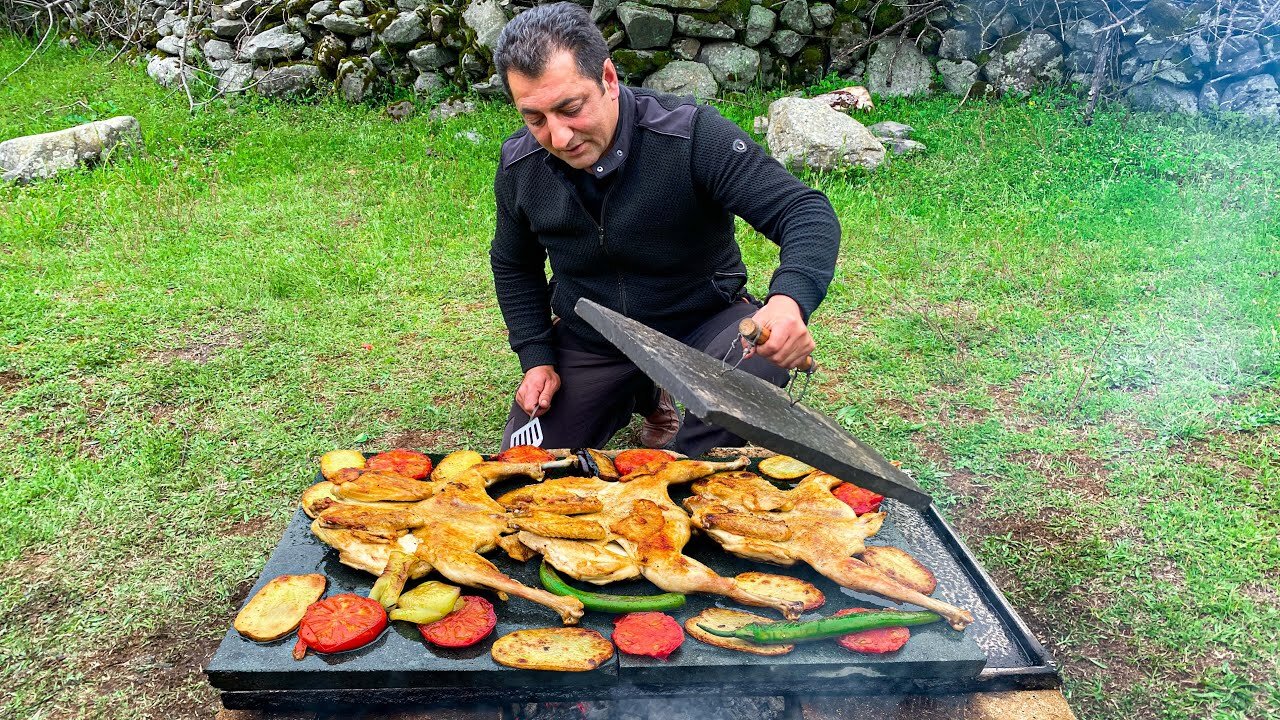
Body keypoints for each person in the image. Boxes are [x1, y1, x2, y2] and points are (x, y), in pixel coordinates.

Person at [490, 2, 840, 456]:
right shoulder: (520, 164)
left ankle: (682, 459)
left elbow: (804, 210)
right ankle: (643, 391)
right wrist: (536, 356)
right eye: (534, 118)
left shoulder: (691, 136)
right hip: (593, 333)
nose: (558, 137)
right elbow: (513, 262)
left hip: (700, 322)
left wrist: (788, 300)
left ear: (609, 80)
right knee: (527, 465)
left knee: (750, 379)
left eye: (570, 108)